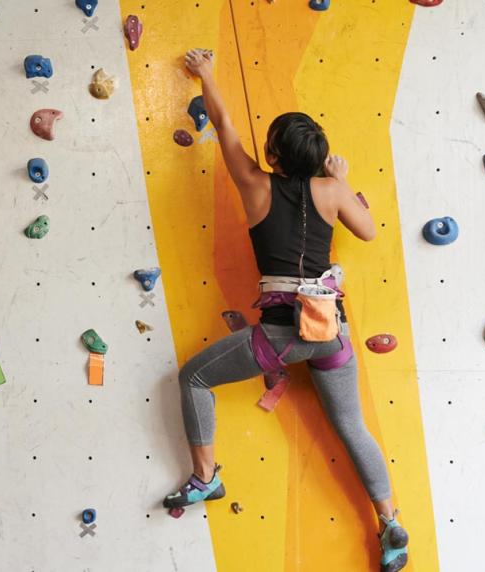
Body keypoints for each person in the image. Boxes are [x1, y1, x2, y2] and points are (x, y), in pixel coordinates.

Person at [162, 49, 408, 572]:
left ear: (273, 156)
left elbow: (224, 125)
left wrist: (206, 73)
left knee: (192, 379)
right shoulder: (330, 189)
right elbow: (367, 229)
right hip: (332, 333)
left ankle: (207, 477)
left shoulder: (255, 186)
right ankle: (390, 523)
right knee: (352, 426)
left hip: (283, 334)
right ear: (317, 158)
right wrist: (338, 179)